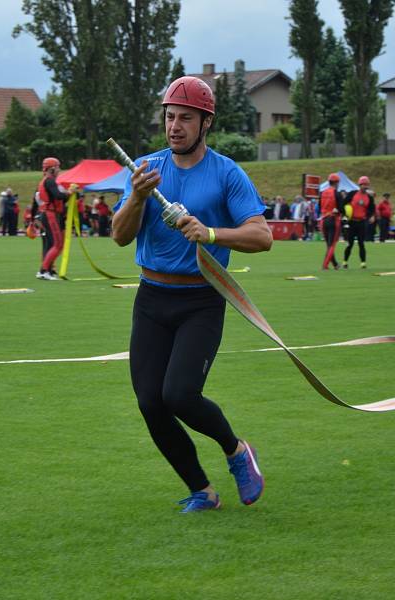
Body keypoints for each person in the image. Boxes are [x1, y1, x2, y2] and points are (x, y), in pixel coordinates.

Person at [111, 75, 272, 513]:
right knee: (150, 402)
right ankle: (202, 490)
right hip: (151, 299)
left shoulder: (226, 173)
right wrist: (137, 199)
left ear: (206, 123)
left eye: (185, 118)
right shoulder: (145, 170)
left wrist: (211, 232)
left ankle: (237, 451)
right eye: (169, 117)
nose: (174, 125)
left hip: (201, 299)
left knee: (179, 394)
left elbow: (262, 236)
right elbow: (120, 237)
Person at [36, 157, 76, 280]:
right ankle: (44, 270)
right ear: (52, 168)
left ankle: (48, 269)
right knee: (58, 244)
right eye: (57, 167)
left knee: (52, 244)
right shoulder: (49, 181)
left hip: (51, 214)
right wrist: (69, 192)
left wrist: (68, 194)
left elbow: (61, 199)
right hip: (50, 214)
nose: (59, 169)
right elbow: (58, 196)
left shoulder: (49, 181)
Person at [342, 176, 375, 268]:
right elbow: (343, 203)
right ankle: (345, 261)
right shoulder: (352, 194)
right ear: (359, 185)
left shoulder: (369, 197)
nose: (365, 187)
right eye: (363, 185)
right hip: (351, 222)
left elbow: (372, 209)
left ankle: (363, 263)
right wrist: (344, 214)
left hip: (361, 223)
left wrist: (372, 216)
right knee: (350, 244)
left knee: (361, 243)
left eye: (367, 185)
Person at [320, 173, 342, 270]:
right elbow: (341, 208)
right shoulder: (337, 193)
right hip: (333, 219)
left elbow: (319, 206)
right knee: (332, 244)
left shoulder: (323, 192)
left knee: (328, 244)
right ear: (336, 182)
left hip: (323, 220)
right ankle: (325, 265)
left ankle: (335, 264)